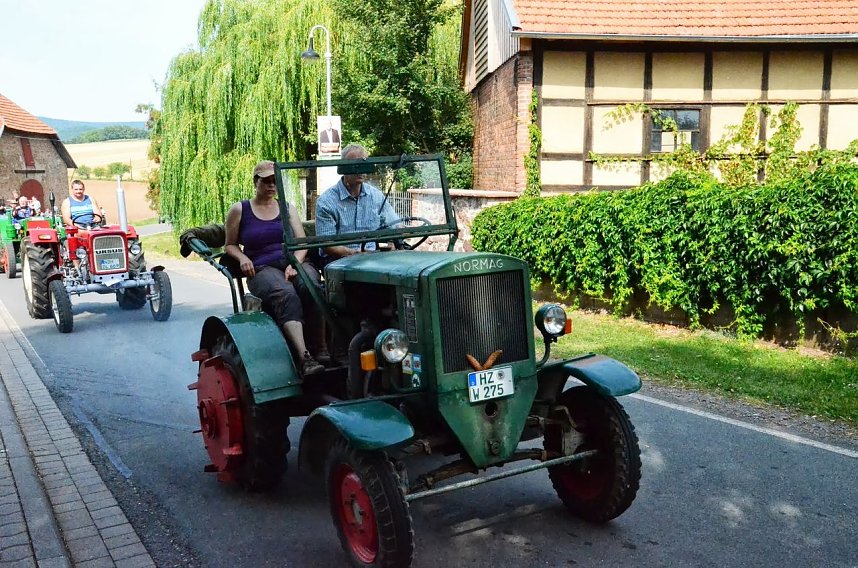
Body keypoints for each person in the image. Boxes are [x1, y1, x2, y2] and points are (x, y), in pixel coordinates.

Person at [224, 160, 326, 376]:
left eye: (274, 181)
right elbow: (230, 244)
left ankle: (323, 348)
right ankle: (304, 358)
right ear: (255, 182)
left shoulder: (287, 207)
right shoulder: (239, 209)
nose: (271, 186)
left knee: (312, 285)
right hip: (261, 268)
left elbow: (302, 241)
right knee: (286, 293)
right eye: (266, 181)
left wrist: (295, 263)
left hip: (292, 261)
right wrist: (242, 257)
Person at [315, 144, 399, 262]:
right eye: (355, 165)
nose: (361, 171)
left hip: (374, 258)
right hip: (339, 261)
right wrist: (353, 253)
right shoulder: (326, 202)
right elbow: (327, 244)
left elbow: (394, 225)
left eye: (364, 165)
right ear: (343, 168)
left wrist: (391, 242)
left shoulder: (376, 197)